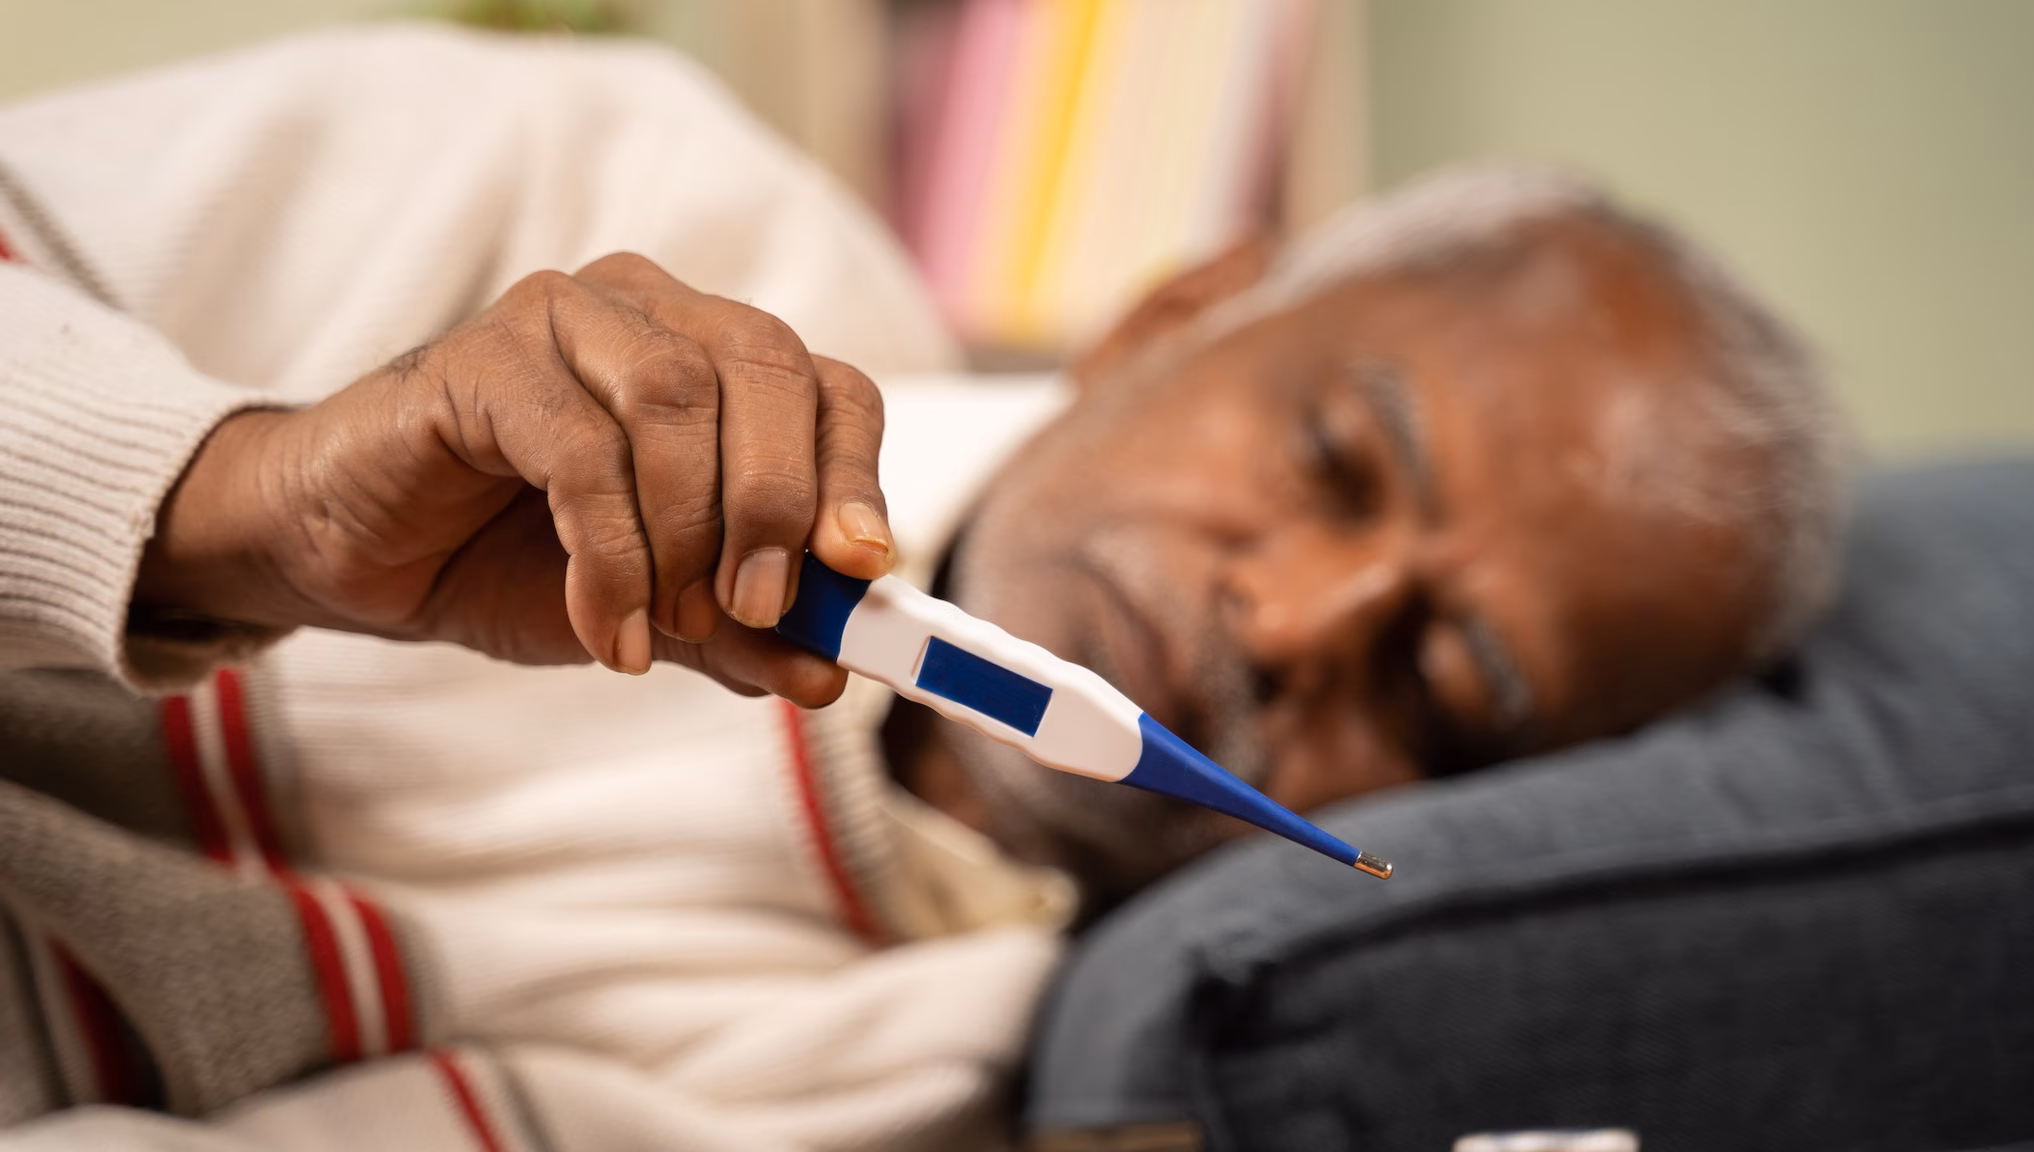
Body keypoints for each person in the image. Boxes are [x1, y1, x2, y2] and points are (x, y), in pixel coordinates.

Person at [0, 23, 1845, 1152]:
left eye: (1441, 686)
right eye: (1334, 460)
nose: (1289, 624)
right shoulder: (590, 176)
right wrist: (223, 505)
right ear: (1180, 310)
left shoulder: (904, 1095)